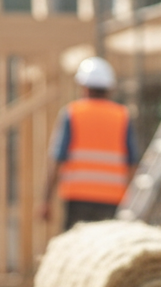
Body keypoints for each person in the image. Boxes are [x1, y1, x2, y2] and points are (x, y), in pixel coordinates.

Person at [41, 57, 137, 230]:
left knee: (76, 251)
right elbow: (131, 163)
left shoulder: (73, 113)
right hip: (112, 198)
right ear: (110, 88)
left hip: (77, 197)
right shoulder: (122, 115)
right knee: (106, 251)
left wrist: (46, 200)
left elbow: (57, 159)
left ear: (83, 86)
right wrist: (134, 199)